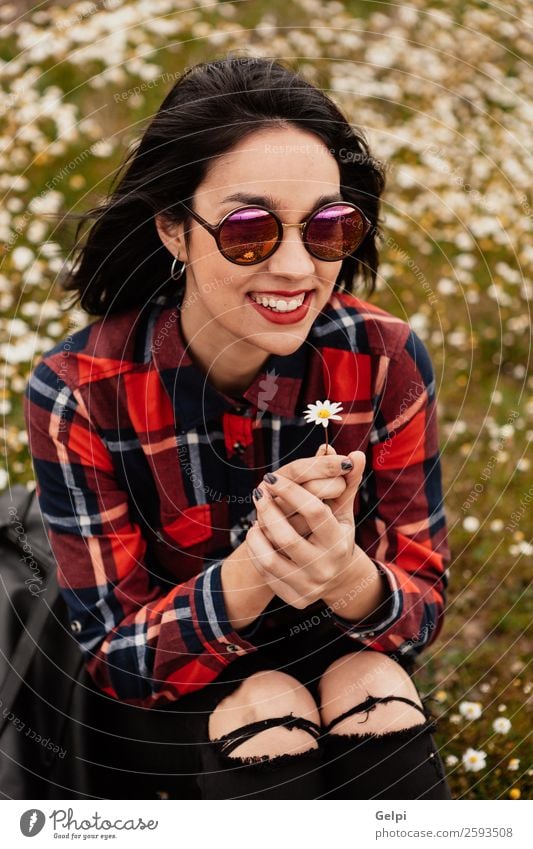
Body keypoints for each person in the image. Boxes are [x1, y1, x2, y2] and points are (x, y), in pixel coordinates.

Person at [24, 55, 452, 799]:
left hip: (339, 655)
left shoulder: (382, 359)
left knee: (374, 681)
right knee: (271, 708)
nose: (295, 267)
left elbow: (418, 612)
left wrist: (346, 574)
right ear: (173, 230)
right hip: (172, 690)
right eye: (249, 229)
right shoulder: (79, 390)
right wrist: (252, 574)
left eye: (327, 225)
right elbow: (113, 659)